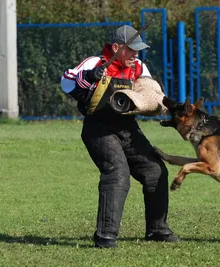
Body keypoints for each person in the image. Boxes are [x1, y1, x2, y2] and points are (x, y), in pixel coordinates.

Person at [60, 25, 179, 248]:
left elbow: (151, 90)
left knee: (155, 171)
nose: (136, 55)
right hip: (98, 129)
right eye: (131, 50)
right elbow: (66, 81)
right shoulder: (96, 63)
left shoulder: (138, 66)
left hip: (127, 128)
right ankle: (105, 236)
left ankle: (157, 230)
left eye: (138, 50)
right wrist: (88, 76)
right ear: (116, 48)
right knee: (117, 173)